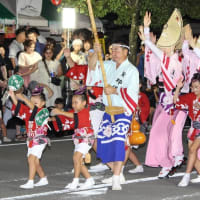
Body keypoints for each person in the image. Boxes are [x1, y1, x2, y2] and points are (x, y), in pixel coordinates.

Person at [138, 10, 186, 178]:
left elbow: (179, 83)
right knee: (163, 133)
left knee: (159, 132)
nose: (162, 47)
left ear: (172, 46)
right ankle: (171, 160)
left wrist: (146, 29)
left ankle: (168, 162)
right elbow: (151, 46)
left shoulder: (175, 61)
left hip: (172, 103)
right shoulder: (170, 59)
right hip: (167, 100)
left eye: (165, 45)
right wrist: (146, 29)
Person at [87, 40, 139, 190]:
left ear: (125, 51)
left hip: (122, 111)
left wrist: (115, 91)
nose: (114, 52)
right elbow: (92, 67)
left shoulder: (131, 70)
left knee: (118, 144)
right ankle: (117, 172)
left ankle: (116, 177)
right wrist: (96, 54)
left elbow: (133, 92)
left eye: (117, 49)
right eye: (112, 49)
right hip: (108, 111)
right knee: (102, 145)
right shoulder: (108, 65)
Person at [52, 92, 95, 190]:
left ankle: (75, 181)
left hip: (86, 138)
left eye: (76, 102)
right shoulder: (75, 112)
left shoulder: (85, 111)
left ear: (84, 103)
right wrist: (53, 119)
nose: (73, 105)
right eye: (72, 103)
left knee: (76, 158)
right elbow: (69, 118)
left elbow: (73, 116)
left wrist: (60, 112)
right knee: (79, 161)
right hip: (79, 139)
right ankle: (89, 179)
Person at [9, 85, 49, 189]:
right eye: (32, 99)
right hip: (30, 139)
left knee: (31, 159)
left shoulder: (44, 112)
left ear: (43, 103)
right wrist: (13, 94)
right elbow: (18, 105)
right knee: (34, 161)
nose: (33, 101)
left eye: (36, 101)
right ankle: (43, 178)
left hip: (40, 139)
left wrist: (24, 98)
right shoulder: (28, 110)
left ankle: (30, 182)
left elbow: (34, 109)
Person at [174, 73, 200, 187]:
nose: (194, 89)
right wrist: (178, 88)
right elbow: (176, 102)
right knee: (192, 154)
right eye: (192, 87)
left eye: (197, 87)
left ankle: (186, 176)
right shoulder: (190, 96)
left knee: (192, 150)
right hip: (193, 128)